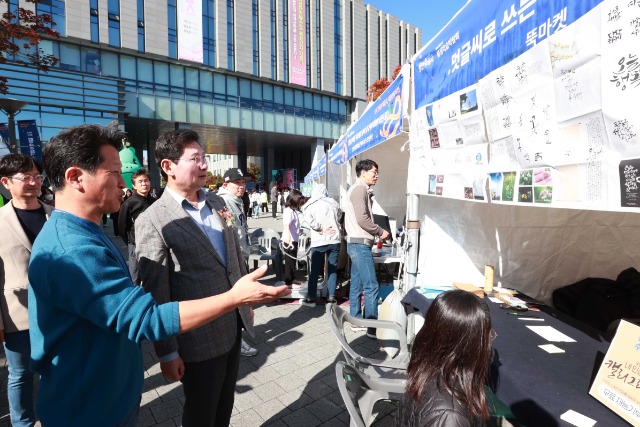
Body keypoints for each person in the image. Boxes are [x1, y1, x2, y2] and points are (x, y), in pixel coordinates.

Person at [27, 124, 290, 426]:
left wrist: (241, 304)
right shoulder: (72, 248)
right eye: (115, 173)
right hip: (89, 408)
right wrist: (230, 301)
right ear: (76, 177)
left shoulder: (88, 231)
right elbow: (147, 312)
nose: (124, 184)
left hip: (112, 396)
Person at [136, 129, 276, 427]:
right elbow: (156, 294)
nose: (204, 165)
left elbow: (234, 256)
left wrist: (245, 303)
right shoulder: (153, 219)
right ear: (168, 167)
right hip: (196, 339)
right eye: (195, 159)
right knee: (201, 413)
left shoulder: (217, 202)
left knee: (224, 407)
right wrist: (167, 352)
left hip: (232, 327)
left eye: (205, 158)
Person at [0, 154, 53, 427]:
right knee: (19, 374)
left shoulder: (55, 215)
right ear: (6, 182)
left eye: (37, 176)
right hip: (17, 314)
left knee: (51, 370)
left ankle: (50, 415)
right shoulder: (0, 220)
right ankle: (22, 422)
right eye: (26, 177)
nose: (34, 182)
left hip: (56, 311)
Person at [397, 290, 493, 427]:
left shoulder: (427, 371)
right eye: (487, 335)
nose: (490, 339)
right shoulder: (451, 417)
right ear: (468, 345)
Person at [344, 159, 389, 338]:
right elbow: (362, 219)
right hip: (359, 244)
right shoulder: (359, 189)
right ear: (363, 172)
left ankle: (356, 321)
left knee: (358, 284)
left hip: (357, 243)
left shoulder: (360, 189)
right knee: (371, 286)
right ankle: (371, 327)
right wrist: (379, 230)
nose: (376, 175)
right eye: (374, 172)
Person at [217, 167, 258, 357]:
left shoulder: (236, 200)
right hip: (233, 260)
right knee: (236, 302)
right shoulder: (223, 201)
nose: (242, 186)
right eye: (237, 183)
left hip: (241, 256)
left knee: (239, 302)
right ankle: (236, 341)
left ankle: (235, 338)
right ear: (226, 184)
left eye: (243, 183)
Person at [300, 183, 342, 307]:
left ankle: (312, 298)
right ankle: (331, 297)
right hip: (334, 239)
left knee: (315, 271)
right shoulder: (333, 203)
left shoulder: (310, 205)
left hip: (319, 241)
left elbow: (308, 220)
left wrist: (320, 228)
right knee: (332, 269)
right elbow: (339, 216)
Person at [117, 168, 155, 285]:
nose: (144, 183)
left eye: (146, 180)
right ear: (134, 185)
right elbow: (122, 226)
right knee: (135, 276)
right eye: (140, 181)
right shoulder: (129, 204)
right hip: (135, 245)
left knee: (154, 273)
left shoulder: (155, 201)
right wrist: (130, 241)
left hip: (154, 243)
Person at [276, 189, 305, 289]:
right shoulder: (288, 211)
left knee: (292, 262)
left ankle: (292, 279)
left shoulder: (293, 211)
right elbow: (286, 225)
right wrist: (288, 238)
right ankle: (288, 282)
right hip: (290, 241)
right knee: (289, 262)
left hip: (294, 239)